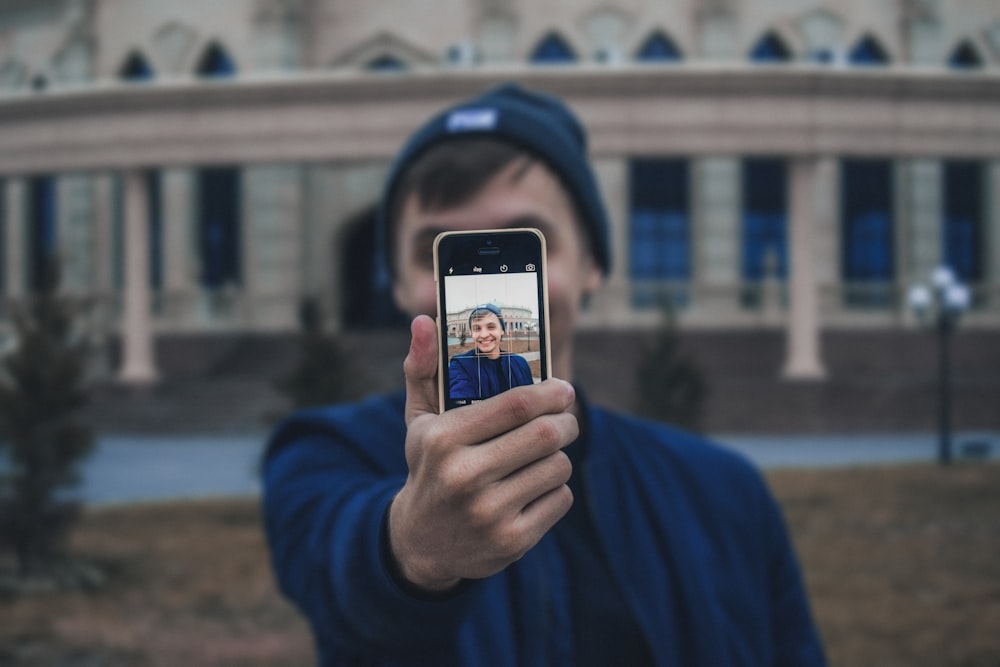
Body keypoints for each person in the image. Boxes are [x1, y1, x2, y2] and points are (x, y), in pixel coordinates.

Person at [263, 83, 827, 666]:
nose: (487, 295)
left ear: (593, 264)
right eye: (439, 248)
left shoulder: (724, 492)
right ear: (400, 285)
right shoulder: (321, 454)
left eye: (525, 242)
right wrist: (410, 547)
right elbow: (333, 562)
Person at [449, 304, 534, 400]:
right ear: (472, 333)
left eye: (491, 327)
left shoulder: (520, 363)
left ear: (502, 330)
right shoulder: (460, 365)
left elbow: (532, 401)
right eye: (477, 328)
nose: (484, 335)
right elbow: (459, 402)